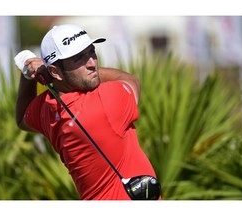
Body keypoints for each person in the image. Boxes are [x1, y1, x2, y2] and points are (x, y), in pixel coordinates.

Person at [15, 24, 159, 200]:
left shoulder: (47, 107)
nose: (92, 64)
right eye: (79, 59)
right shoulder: (104, 103)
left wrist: (28, 75)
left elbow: (22, 118)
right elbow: (129, 80)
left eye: (92, 52)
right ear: (55, 72)